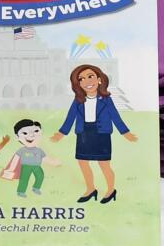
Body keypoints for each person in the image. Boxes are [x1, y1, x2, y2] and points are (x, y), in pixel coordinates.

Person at [53, 63, 136, 204]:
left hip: (101, 134)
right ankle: (91, 189)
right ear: (77, 84)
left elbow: (115, 116)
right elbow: (70, 116)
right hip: (83, 133)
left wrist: (125, 132)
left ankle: (110, 190)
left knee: (104, 164)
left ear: (99, 79)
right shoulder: (78, 100)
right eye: (81, 79)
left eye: (90, 76)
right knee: (83, 163)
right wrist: (62, 133)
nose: (86, 81)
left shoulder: (106, 99)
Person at [1, 119, 47, 196]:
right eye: (25, 133)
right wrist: (11, 169)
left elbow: (45, 158)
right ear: (18, 137)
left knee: (40, 176)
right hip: (26, 166)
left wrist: (53, 162)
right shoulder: (22, 150)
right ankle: (21, 191)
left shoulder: (39, 150)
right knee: (24, 179)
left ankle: (36, 188)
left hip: (37, 166)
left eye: (36, 131)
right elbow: (15, 160)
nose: (31, 135)